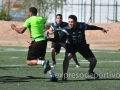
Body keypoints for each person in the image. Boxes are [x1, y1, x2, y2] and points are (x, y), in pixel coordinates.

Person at [49, 15, 108, 81]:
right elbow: (59, 39)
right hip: (71, 46)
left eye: (72, 22)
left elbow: (91, 27)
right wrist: (49, 39)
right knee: (67, 57)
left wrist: (100, 28)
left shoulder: (81, 26)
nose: (70, 23)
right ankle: (64, 75)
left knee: (94, 61)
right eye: (69, 22)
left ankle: (90, 72)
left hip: (82, 46)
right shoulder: (66, 29)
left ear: (76, 22)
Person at [11, 7, 58, 82]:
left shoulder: (29, 20)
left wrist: (14, 28)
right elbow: (43, 23)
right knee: (42, 59)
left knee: (29, 61)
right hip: (43, 41)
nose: (27, 13)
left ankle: (43, 62)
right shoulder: (41, 18)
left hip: (36, 42)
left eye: (28, 12)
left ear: (30, 13)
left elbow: (21, 31)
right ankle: (52, 76)